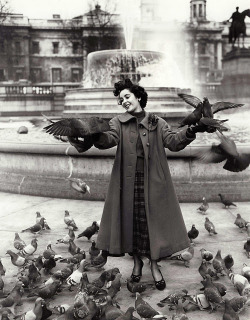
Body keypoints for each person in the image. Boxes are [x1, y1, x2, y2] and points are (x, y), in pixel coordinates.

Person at [68, 78, 215, 290]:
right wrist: (93, 135)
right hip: (127, 183)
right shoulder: (117, 122)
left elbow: (173, 142)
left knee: (150, 225)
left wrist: (191, 130)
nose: (124, 101)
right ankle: (137, 263)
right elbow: (108, 139)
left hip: (153, 182)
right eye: (121, 100)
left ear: (138, 96)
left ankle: (154, 265)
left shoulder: (158, 122)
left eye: (127, 97)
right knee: (133, 225)